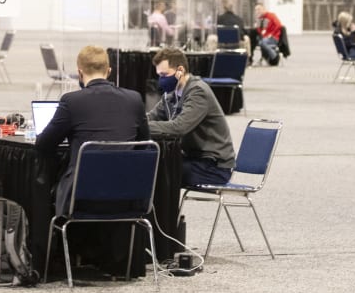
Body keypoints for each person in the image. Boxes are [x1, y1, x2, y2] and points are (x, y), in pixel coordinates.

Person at [35, 45, 149, 216]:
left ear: (79, 73)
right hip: (127, 193)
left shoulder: (72, 101)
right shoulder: (134, 99)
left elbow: (43, 144)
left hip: (81, 195)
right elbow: (143, 143)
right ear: (109, 71)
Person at [147, 47, 235, 187]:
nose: (161, 80)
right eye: (159, 75)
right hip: (193, 159)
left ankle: (161, 209)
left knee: (158, 170)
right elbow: (151, 116)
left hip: (214, 167)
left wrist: (142, 126)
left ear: (180, 70)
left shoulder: (198, 91)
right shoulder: (172, 93)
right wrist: (133, 121)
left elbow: (179, 128)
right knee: (150, 163)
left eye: (164, 74)